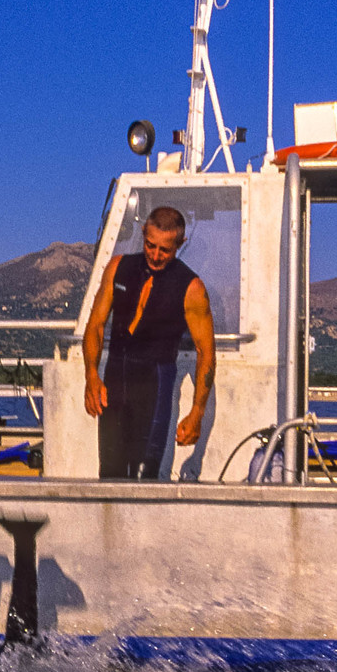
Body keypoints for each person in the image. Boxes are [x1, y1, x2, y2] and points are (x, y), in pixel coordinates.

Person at [83, 205, 215, 479]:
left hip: (155, 385)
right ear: (143, 233)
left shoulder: (192, 288)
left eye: (164, 250)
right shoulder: (118, 267)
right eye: (150, 245)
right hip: (115, 382)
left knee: (146, 478)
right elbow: (95, 325)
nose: (155, 255)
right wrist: (91, 376)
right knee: (109, 474)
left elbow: (206, 353)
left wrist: (197, 412)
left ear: (180, 244)